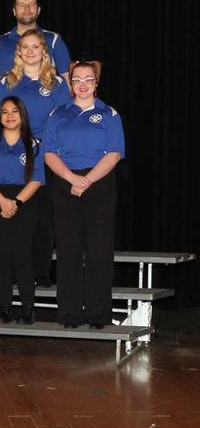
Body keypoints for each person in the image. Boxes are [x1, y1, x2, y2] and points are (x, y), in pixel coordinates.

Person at [44, 61, 124, 329]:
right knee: (68, 250)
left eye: (88, 79)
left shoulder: (110, 114)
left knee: (99, 251)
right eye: (77, 79)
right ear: (71, 83)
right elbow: (49, 153)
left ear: (96, 83)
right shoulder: (58, 114)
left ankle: (98, 315)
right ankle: (69, 314)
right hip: (65, 183)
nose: (82, 84)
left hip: (99, 184)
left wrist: (87, 179)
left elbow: (114, 154)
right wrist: (72, 178)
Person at [0, 29, 71, 286]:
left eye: (35, 47)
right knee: (16, 212)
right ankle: (15, 271)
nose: (30, 51)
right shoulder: (8, 83)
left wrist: (44, 144)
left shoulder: (58, 84)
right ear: (18, 51)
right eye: (24, 47)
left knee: (43, 216)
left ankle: (41, 272)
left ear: (44, 51)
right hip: (14, 155)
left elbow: (64, 121)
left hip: (48, 156)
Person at [0, 96, 43, 324]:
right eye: (4, 112)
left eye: (14, 111)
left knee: (22, 256)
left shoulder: (33, 143)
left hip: (24, 202)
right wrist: (3, 202)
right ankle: (4, 307)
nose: (10, 116)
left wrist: (16, 202)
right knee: (2, 257)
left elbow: (37, 179)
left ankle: (28, 309)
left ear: (22, 114)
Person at [0, 0, 71, 91]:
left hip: (45, 104)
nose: (27, 8)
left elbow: (68, 79)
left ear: (38, 10)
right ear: (14, 11)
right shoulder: (0, 42)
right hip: (10, 104)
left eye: (31, 4)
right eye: (21, 5)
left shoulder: (53, 40)